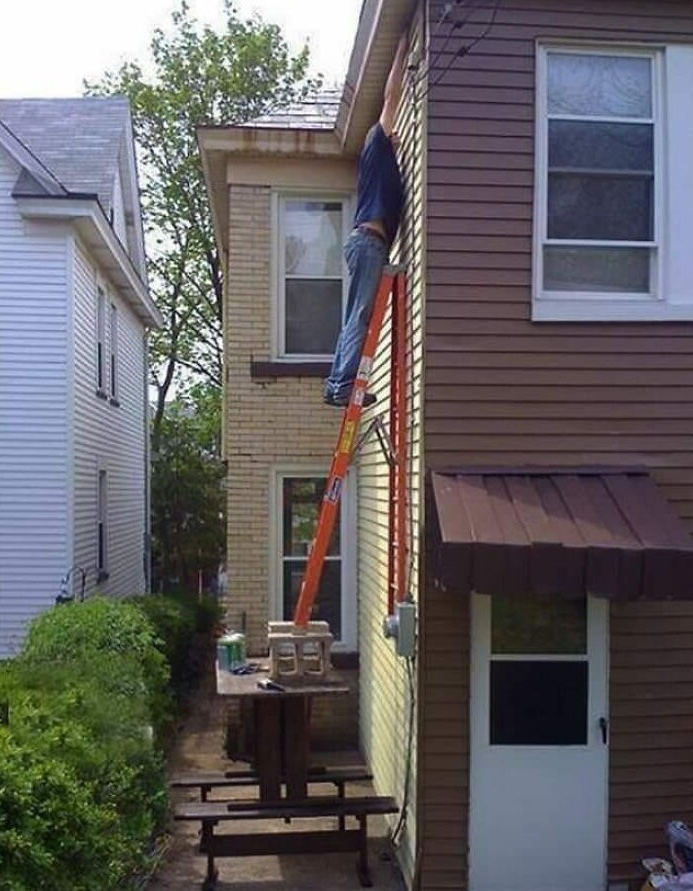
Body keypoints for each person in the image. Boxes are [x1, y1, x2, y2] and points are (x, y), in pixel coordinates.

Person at [323, 33, 408, 408]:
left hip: (366, 242)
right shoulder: (376, 139)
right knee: (359, 316)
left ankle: (335, 384)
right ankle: (342, 385)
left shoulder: (380, 158)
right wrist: (402, 47)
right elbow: (391, 98)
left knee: (354, 316)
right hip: (370, 243)